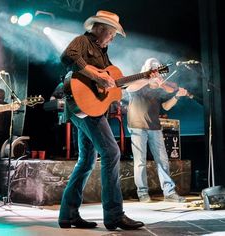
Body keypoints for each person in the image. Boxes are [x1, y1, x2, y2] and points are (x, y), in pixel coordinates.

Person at [58, 10, 144, 230]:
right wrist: (96, 76)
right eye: (112, 33)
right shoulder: (83, 41)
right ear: (101, 28)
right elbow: (67, 56)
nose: (113, 38)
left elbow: (113, 81)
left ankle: (68, 215)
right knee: (112, 152)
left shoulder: (103, 53)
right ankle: (114, 215)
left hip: (89, 108)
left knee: (86, 161)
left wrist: (144, 77)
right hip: (82, 107)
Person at [126, 57, 188, 203]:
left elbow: (166, 107)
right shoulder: (139, 82)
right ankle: (142, 193)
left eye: (157, 66)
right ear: (145, 68)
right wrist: (149, 79)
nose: (155, 68)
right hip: (136, 125)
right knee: (140, 161)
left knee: (163, 160)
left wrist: (177, 96)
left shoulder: (159, 88)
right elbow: (129, 88)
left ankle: (169, 192)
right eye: (152, 66)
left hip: (155, 127)